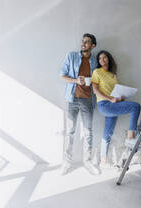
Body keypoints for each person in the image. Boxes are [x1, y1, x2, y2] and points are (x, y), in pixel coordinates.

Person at [91, 50, 141, 168]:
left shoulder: (113, 75)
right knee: (135, 106)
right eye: (100, 59)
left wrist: (120, 98)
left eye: (104, 58)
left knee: (107, 133)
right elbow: (95, 90)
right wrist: (110, 99)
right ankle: (130, 137)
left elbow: (115, 92)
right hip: (104, 105)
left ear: (109, 59)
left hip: (113, 105)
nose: (102, 60)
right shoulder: (97, 72)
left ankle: (103, 161)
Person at [60, 33, 100, 175]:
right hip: (72, 99)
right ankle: (66, 162)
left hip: (88, 100)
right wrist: (76, 81)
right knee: (70, 131)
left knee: (88, 131)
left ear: (93, 45)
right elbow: (62, 75)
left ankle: (88, 162)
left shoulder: (95, 61)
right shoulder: (71, 56)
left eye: (87, 42)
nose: (83, 44)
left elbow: (98, 80)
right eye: (83, 41)